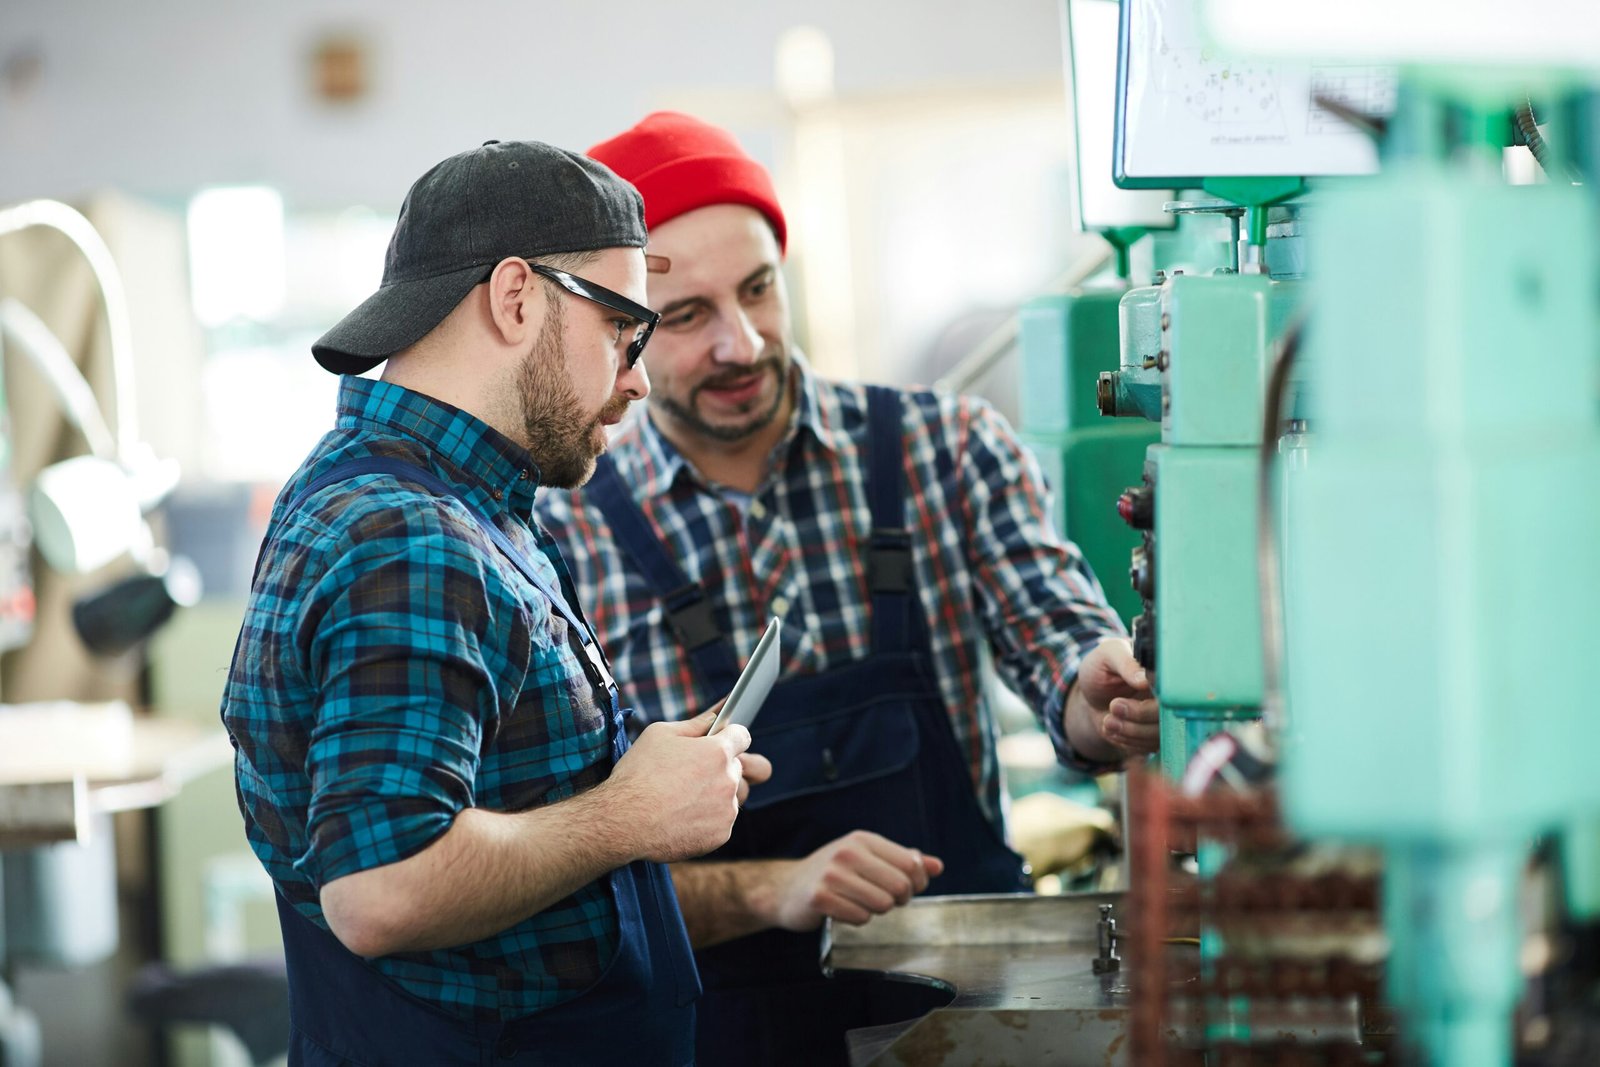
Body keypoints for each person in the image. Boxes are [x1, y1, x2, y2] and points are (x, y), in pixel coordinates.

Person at [534, 112, 1162, 1066]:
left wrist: (1100, 693)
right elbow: (585, 876)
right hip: (720, 1032)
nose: (741, 345)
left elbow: (1063, 649)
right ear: (621, 333)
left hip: (977, 1015)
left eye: (758, 291)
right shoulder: (566, 536)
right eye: (689, 317)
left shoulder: (943, 449)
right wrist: (779, 883)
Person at [220, 139, 770, 1067]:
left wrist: (633, 776)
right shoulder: (411, 536)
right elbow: (381, 887)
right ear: (517, 298)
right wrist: (625, 816)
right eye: (622, 332)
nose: (637, 375)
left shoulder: (446, 499)